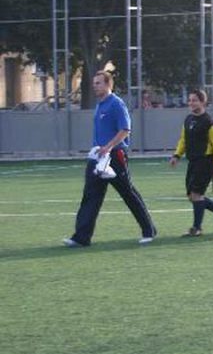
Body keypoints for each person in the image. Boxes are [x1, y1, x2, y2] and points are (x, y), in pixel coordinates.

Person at [63, 71, 157, 247]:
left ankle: (149, 230)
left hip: (115, 156)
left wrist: (109, 147)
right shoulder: (99, 105)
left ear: (108, 84)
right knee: (90, 196)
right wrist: (99, 150)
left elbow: (125, 130)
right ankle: (81, 237)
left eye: (98, 83)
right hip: (98, 156)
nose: (95, 86)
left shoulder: (116, 104)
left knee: (128, 193)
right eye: (94, 83)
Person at [169, 89, 213, 237]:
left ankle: (197, 228)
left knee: (196, 195)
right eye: (190, 100)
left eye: (194, 100)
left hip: (206, 162)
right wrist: (177, 155)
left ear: (203, 102)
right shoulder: (188, 119)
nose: (191, 103)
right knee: (192, 196)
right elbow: (183, 139)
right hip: (193, 161)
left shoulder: (209, 122)